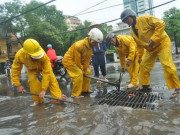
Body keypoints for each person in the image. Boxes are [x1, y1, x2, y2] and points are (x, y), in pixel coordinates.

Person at [120, 9, 180, 97]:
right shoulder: (132, 31)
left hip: (162, 44)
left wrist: (154, 38)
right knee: (143, 65)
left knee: (167, 65)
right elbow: (139, 45)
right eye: (124, 21)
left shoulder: (145, 19)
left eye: (126, 19)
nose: (126, 22)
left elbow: (161, 23)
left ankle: (177, 88)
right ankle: (145, 86)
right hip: (150, 49)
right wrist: (140, 56)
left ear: (131, 16)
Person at [11, 39, 67, 106]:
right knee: (32, 81)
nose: (36, 58)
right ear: (27, 53)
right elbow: (15, 70)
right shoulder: (19, 55)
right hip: (31, 69)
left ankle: (58, 98)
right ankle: (38, 100)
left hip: (43, 66)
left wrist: (44, 89)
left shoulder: (43, 56)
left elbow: (46, 73)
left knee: (51, 80)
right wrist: (18, 85)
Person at [62, 28, 103, 98]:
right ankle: (75, 94)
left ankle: (85, 90)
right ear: (90, 39)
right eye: (95, 42)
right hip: (69, 61)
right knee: (78, 74)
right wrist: (81, 69)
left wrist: (84, 69)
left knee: (88, 72)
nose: (96, 44)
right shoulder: (79, 45)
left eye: (97, 43)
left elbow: (86, 60)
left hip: (77, 61)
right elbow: (77, 61)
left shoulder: (90, 47)